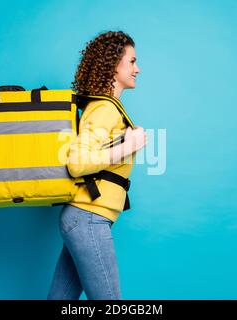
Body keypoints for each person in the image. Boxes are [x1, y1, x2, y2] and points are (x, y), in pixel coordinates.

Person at [47, 31, 147, 300]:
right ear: (115, 64)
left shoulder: (107, 107)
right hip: (88, 217)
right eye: (132, 61)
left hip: (84, 217)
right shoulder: (105, 109)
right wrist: (130, 145)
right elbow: (77, 163)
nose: (137, 69)